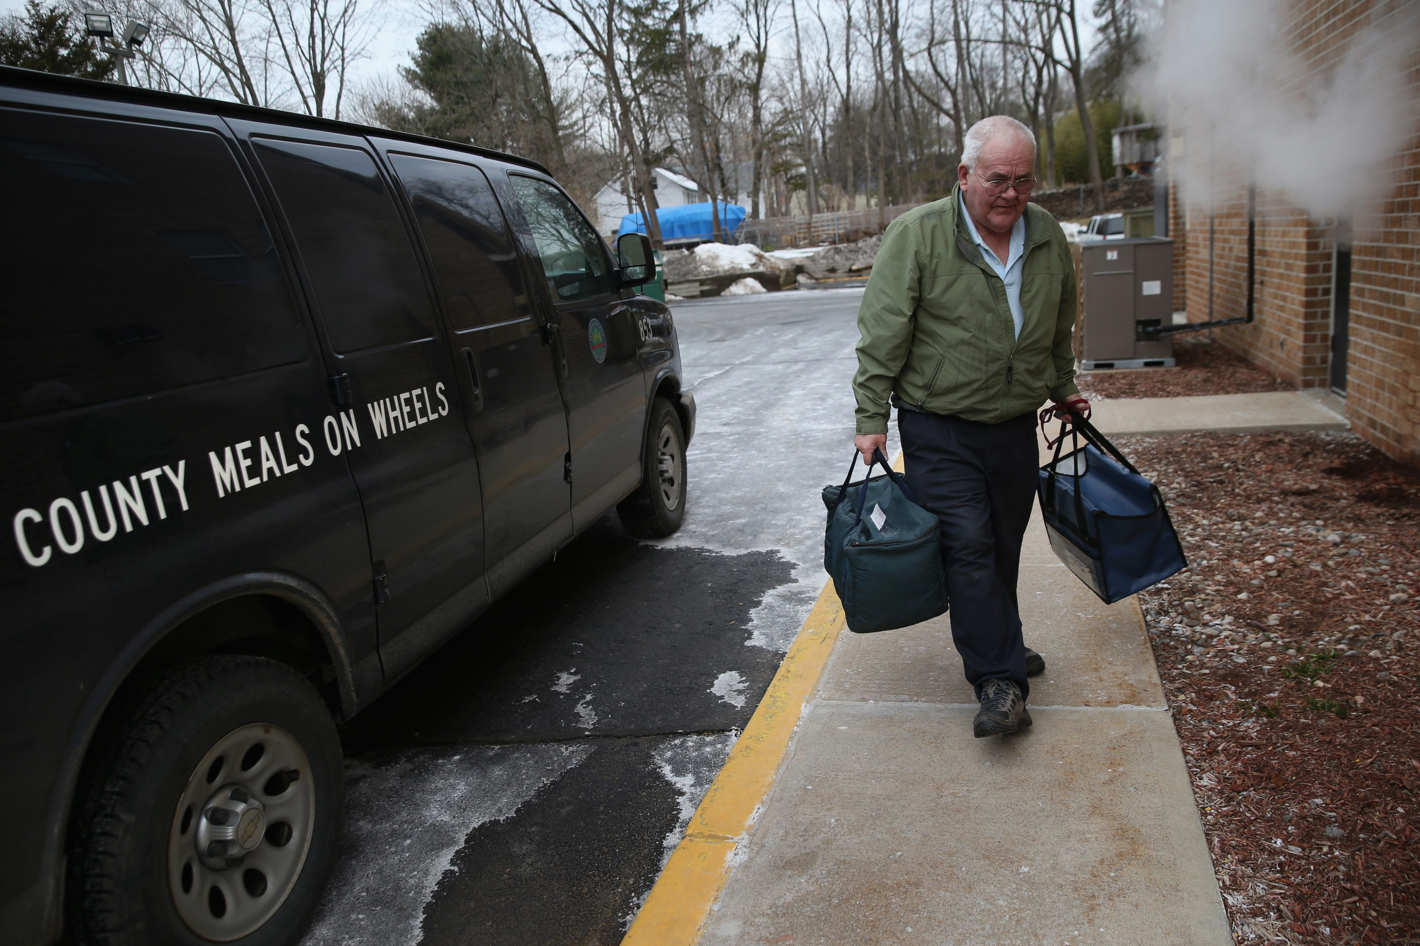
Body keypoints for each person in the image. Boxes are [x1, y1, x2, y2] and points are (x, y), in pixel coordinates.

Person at [851, 115, 1090, 738]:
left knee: (1003, 544)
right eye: (996, 179)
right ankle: (998, 680)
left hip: (1012, 423)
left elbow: (1058, 322)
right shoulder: (918, 235)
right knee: (968, 544)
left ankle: (998, 641)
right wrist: (871, 415)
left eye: (1023, 180)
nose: (1010, 193)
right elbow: (883, 332)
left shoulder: (1046, 235)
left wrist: (1062, 386)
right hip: (939, 424)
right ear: (964, 176)